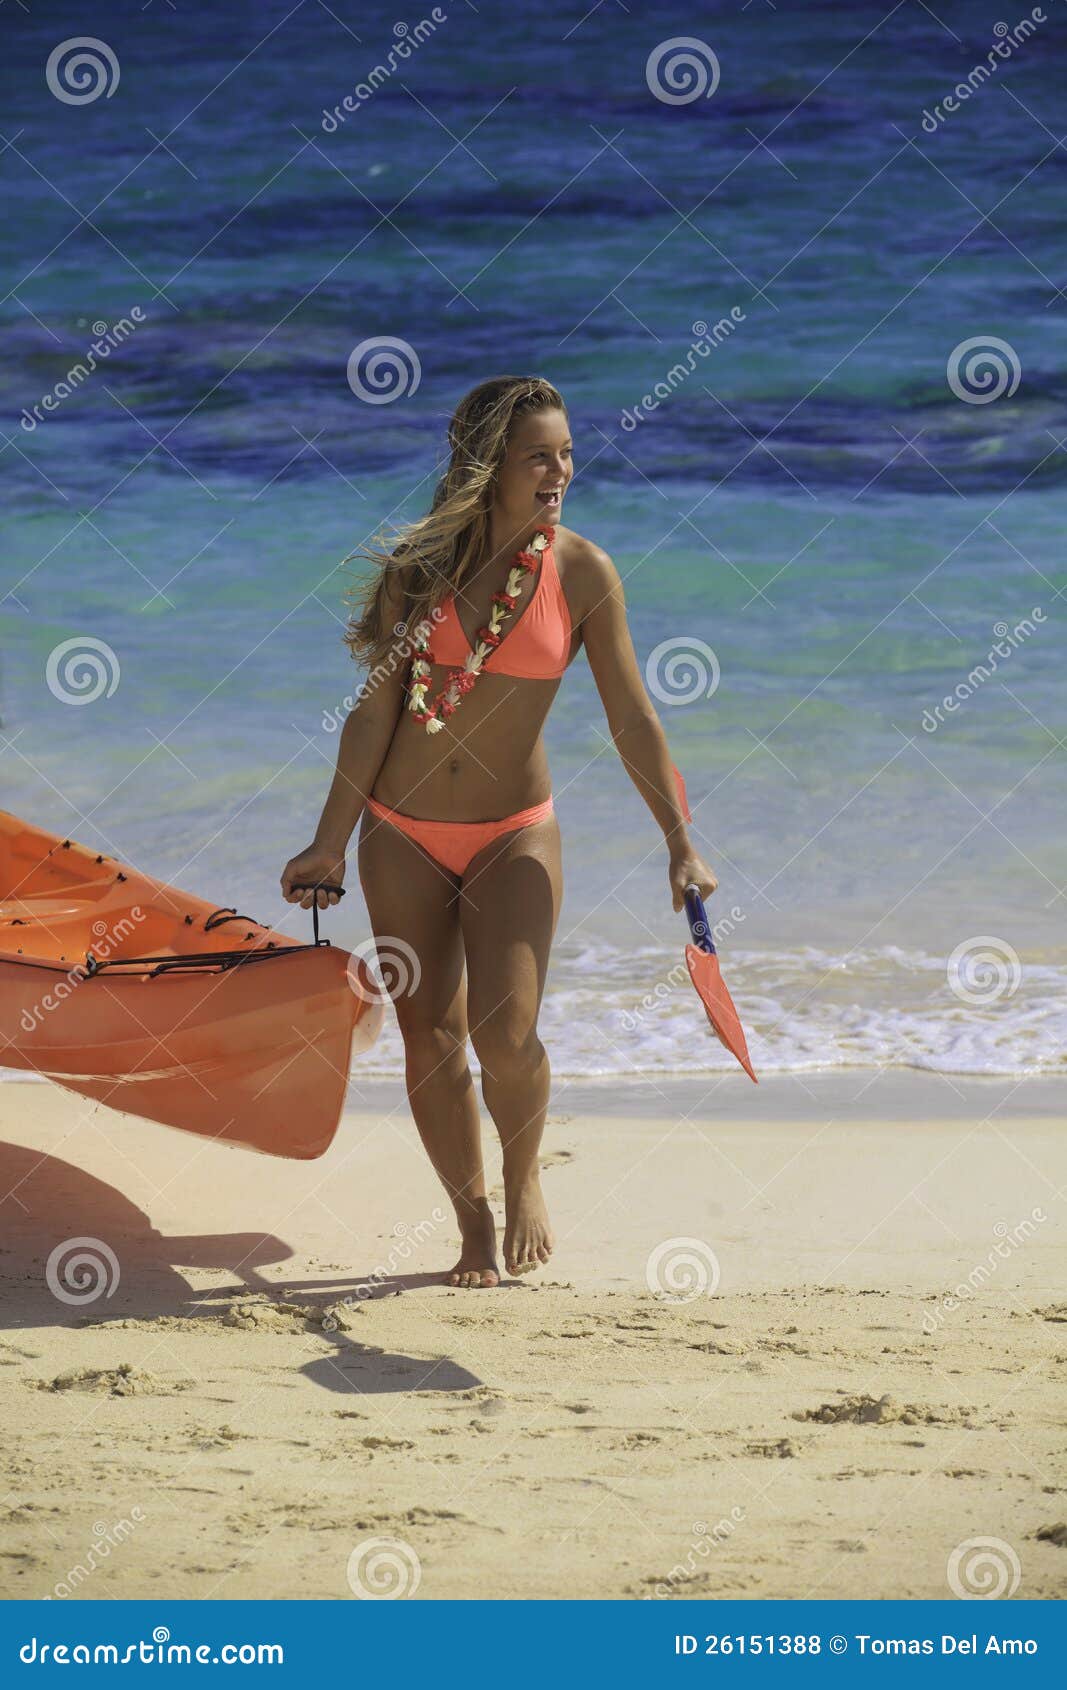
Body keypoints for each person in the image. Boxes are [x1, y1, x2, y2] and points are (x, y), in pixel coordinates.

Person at [281, 375, 718, 1287]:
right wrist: (328, 839)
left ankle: (524, 1178)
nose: (560, 470)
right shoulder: (420, 569)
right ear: (489, 466)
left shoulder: (582, 572)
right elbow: (373, 714)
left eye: (565, 452)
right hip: (399, 830)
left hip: (513, 832)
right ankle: (470, 1220)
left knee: (506, 1035)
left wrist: (679, 840)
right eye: (538, 456)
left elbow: (632, 719)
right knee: (427, 1035)